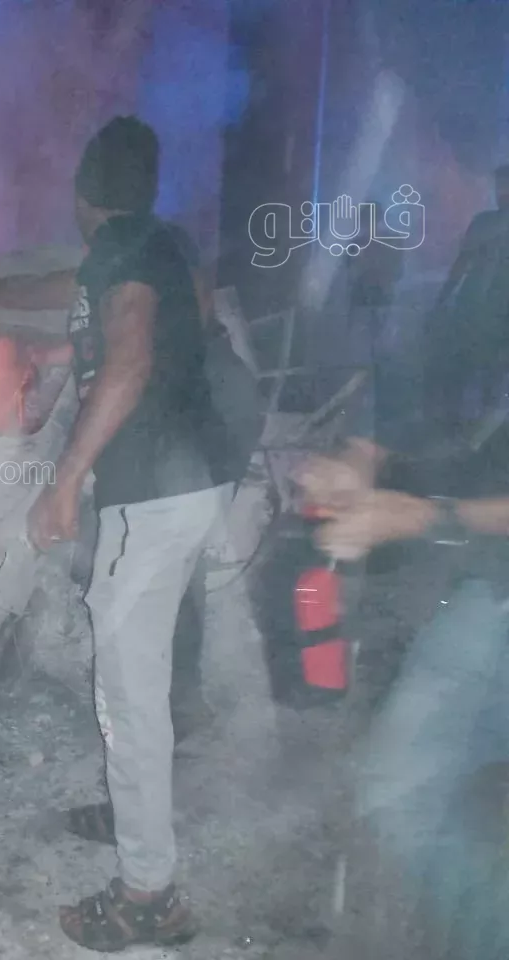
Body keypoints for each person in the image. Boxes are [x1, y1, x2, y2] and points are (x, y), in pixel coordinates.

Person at [0, 116, 235, 951]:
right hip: (192, 479)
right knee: (144, 671)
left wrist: (65, 481)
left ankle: (150, 896)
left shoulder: (123, 253)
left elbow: (132, 357)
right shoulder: (154, 243)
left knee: (127, 696)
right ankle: (139, 816)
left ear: (81, 193)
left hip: (152, 493)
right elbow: (88, 294)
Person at [298, 422, 509, 959]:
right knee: (397, 795)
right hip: (492, 590)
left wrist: (427, 516)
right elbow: (464, 422)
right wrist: (363, 463)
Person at [424, 163, 509, 430]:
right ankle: (455, 423)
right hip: (473, 305)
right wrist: (442, 300)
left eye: (506, 186)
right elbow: (462, 262)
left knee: (494, 369)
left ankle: (485, 428)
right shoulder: (483, 222)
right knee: (463, 364)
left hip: (501, 308)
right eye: (499, 186)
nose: (502, 193)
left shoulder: (486, 223)